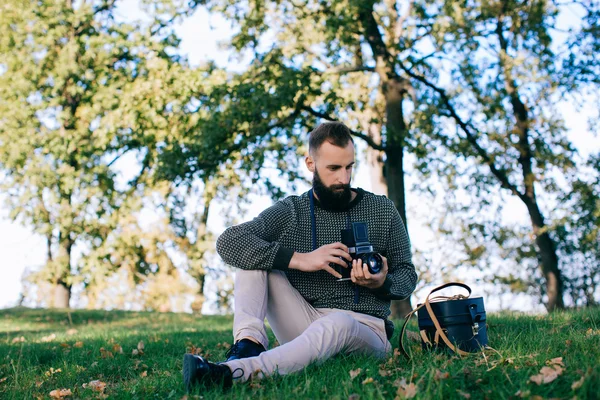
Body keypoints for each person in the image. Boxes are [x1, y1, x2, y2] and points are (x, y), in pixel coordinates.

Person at [183, 121, 418, 391]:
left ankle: (230, 374)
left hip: (364, 329)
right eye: (333, 168)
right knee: (252, 257)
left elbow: (407, 274)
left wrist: (382, 283)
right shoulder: (292, 211)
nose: (343, 178)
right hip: (304, 322)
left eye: (349, 167)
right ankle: (248, 345)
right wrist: (301, 259)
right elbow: (229, 242)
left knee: (339, 322)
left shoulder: (382, 210)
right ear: (310, 163)